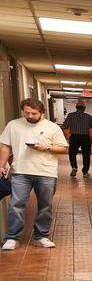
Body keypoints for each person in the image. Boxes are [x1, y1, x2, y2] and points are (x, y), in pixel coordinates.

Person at [0, 98, 68, 251]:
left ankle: (41, 236)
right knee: (16, 204)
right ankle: (12, 237)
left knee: (45, 205)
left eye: (34, 113)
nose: (30, 116)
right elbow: (5, 146)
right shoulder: (13, 125)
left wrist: (46, 147)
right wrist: (1, 165)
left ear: (42, 112)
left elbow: (64, 148)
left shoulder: (52, 128)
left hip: (46, 172)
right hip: (20, 171)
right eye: (27, 113)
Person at [62, 102, 92, 178]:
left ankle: (74, 167)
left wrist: (70, 130)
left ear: (76, 108)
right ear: (84, 109)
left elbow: (65, 126)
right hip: (85, 137)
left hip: (74, 136)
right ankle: (85, 172)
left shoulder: (71, 115)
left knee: (72, 153)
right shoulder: (88, 116)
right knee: (86, 154)